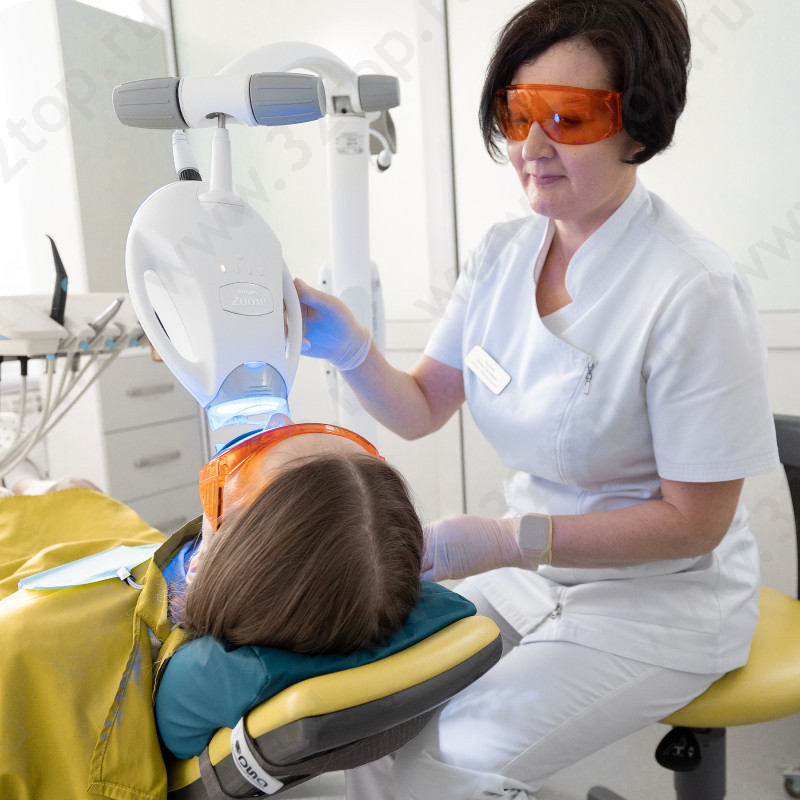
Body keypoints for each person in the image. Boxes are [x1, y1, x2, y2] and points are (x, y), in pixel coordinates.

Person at [294, 1, 781, 797]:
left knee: (451, 758)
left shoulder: (693, 288)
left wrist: (505, 538)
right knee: (364, 715)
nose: (531, 147)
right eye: (518, 114)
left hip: (664, 599)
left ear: (638, 128)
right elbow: (421, 406)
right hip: (529, 576)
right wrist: (351, 347)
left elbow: (696, 522)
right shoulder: (500, 255)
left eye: (568, 117)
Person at [0, 421, 423, 800]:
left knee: (66, 499)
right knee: (79, 493)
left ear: (209, 563)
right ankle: (26, 480)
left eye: (239, 483)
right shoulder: (343, 586)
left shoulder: (24, 636)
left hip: (57, 581)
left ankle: (22, 482)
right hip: (133, 561)